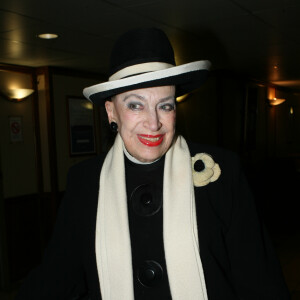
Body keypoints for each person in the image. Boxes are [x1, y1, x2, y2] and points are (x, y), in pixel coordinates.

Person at [16, 28, 290, 300]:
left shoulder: (222, 172)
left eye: (165, 105)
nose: (154, 123)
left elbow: (260, 281)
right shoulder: (85, 181)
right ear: (112, 111)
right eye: (136, 105)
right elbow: (59, 276)